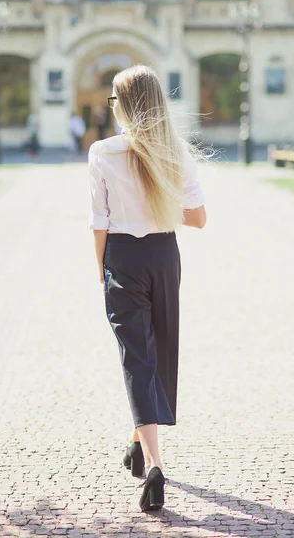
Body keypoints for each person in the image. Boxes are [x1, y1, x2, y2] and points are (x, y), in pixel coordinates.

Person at [88, 65, 206, 512]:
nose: (112, 109)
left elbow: (99, 221)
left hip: (123, 257)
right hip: (164, 256)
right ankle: (139, 444)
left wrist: (100, 270)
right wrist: (158, 209)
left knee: (137, 356)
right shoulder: (174, 151)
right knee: (157, 352)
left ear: (126, 106)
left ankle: (154, 465)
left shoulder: (102, 151)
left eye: (115, 101)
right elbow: (197, 218)